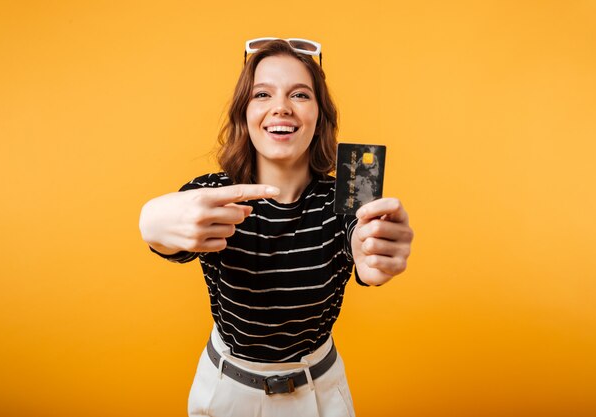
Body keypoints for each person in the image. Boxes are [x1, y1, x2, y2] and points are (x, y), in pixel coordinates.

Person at [139, 38, 414, 417]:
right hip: (224, 393)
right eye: (263, 94)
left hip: (319, 396)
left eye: (300, 95)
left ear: (320, 116)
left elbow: (362, 236)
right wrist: (151, 220)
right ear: (244, 113)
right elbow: (170, 231)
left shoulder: (348, 199)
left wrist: (376, 254)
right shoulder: (214, 195)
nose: (281, 107)